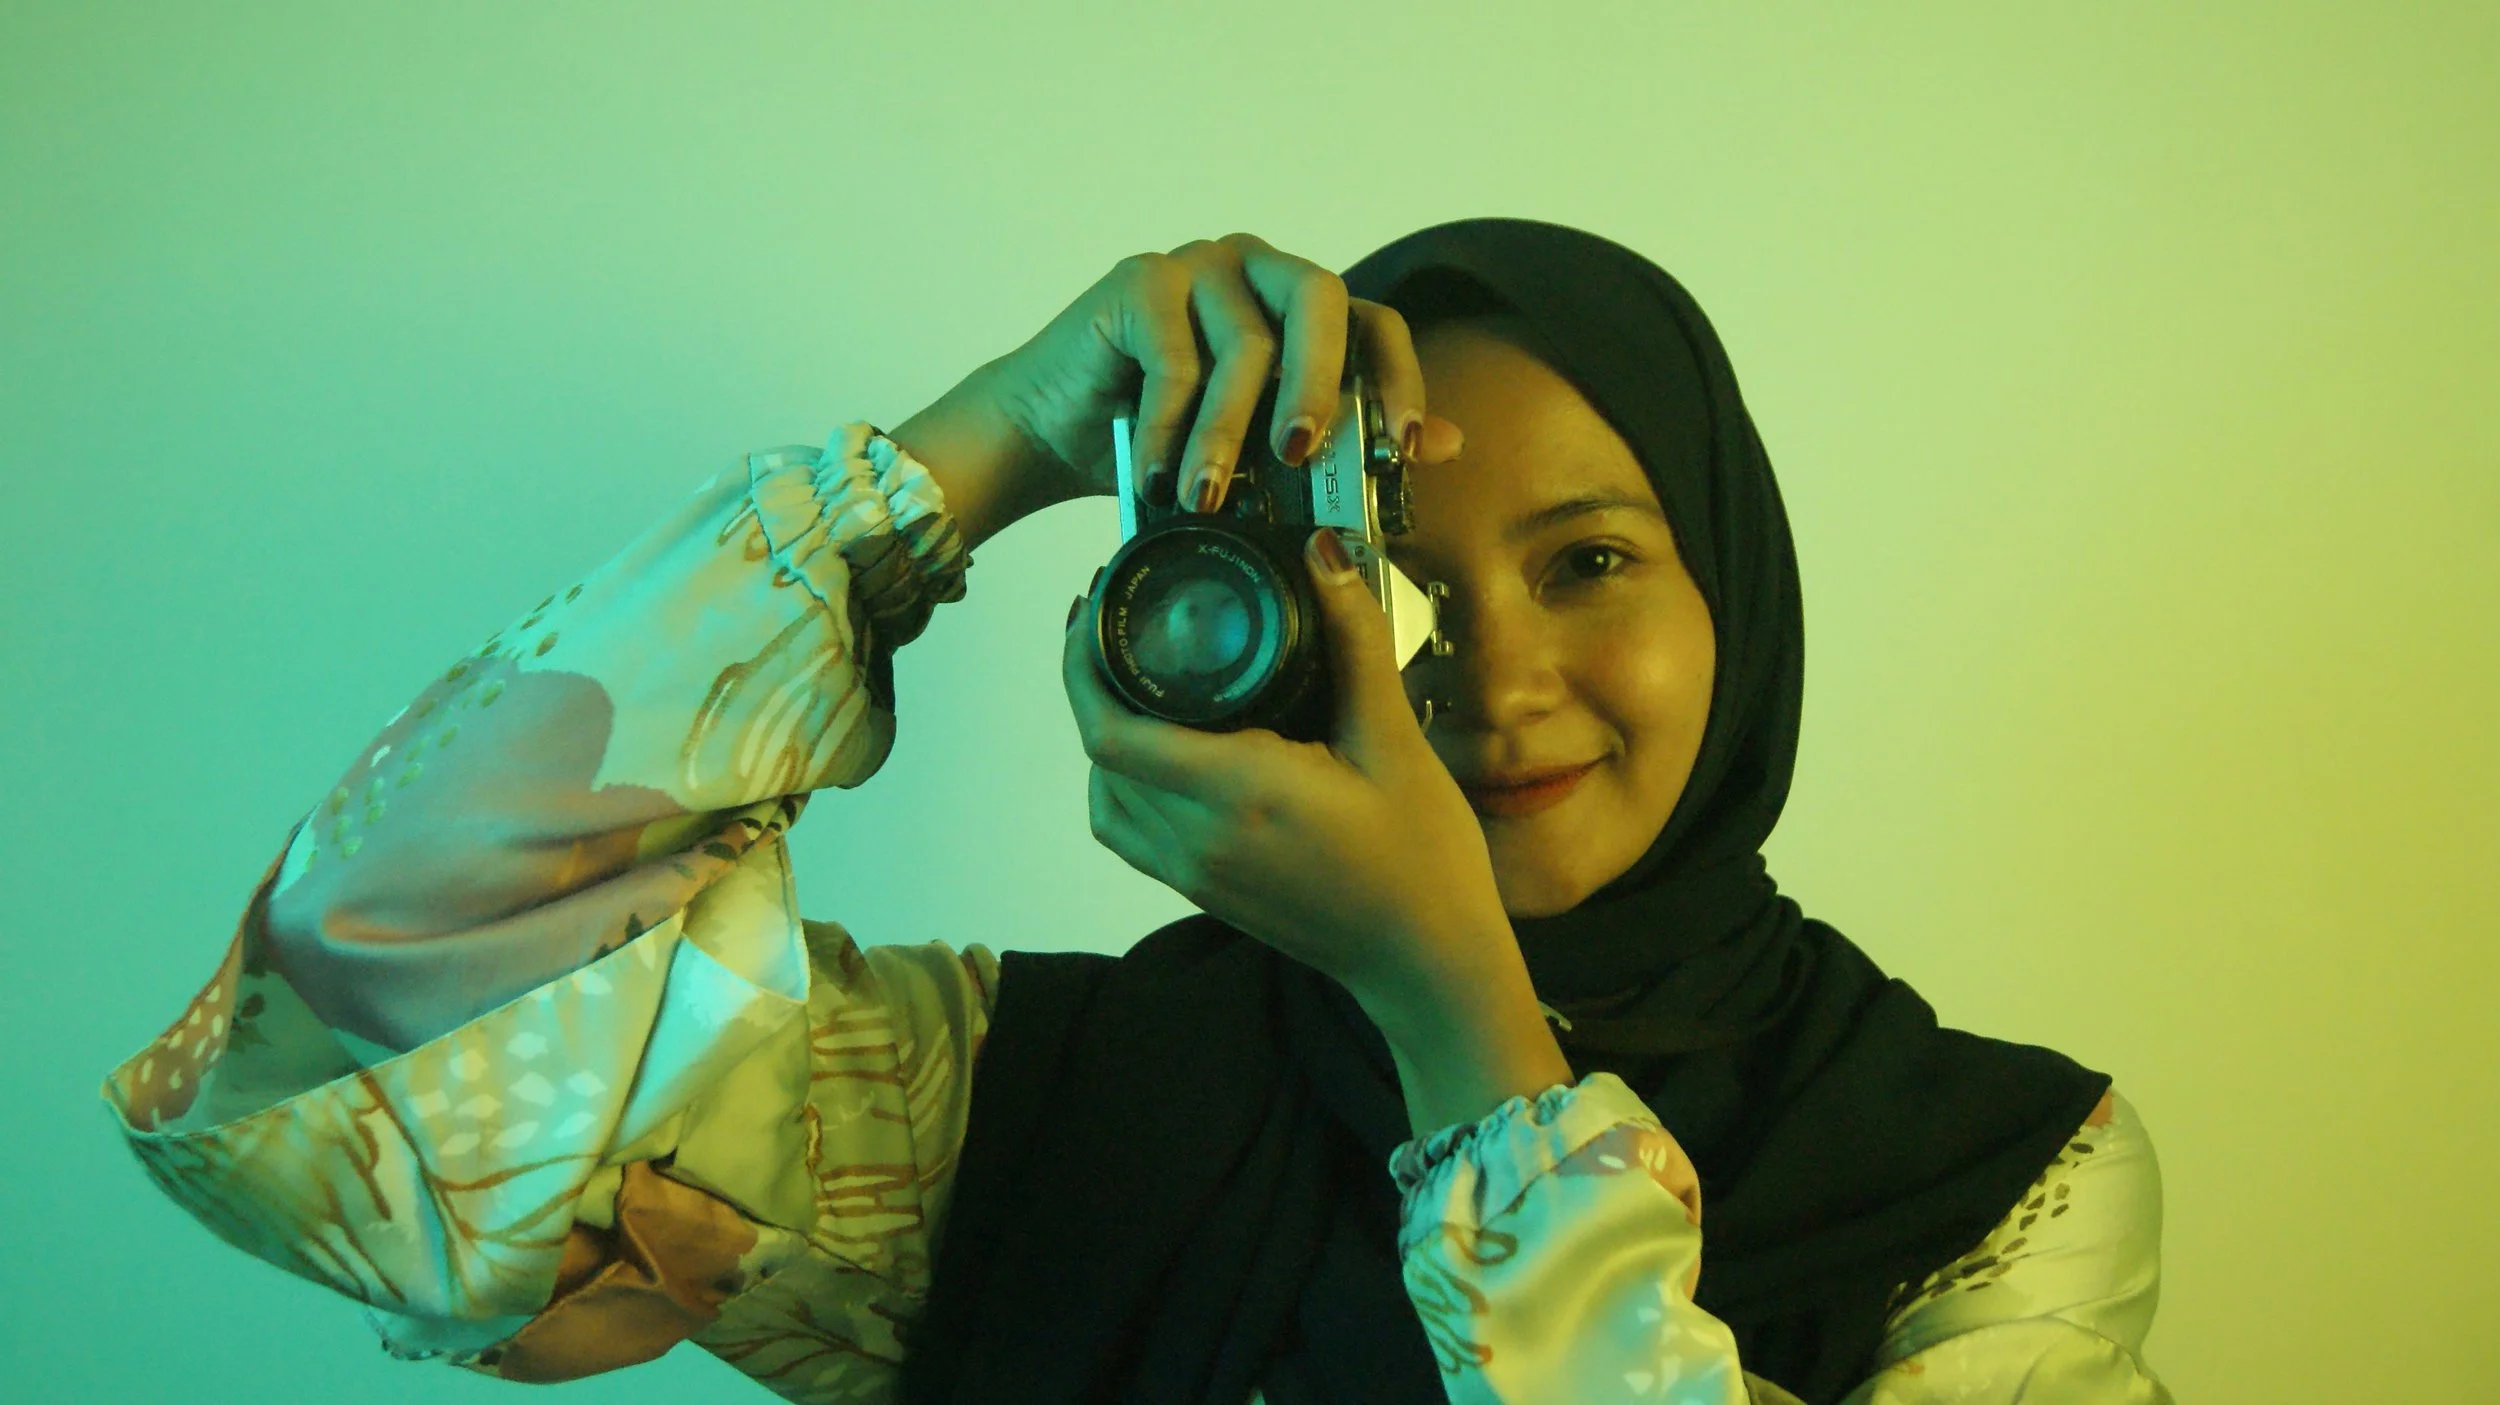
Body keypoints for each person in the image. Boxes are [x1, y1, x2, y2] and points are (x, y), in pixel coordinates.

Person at [100, 219, 2170, 1405]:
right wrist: (983, 447)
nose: (1495, 674)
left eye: (1589, 561)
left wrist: (1455, 1018)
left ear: (1737, 582)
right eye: (1396, 576)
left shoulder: (2003, 1174)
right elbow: (350, 1025)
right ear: (1284, 606)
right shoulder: (1023, 1100)